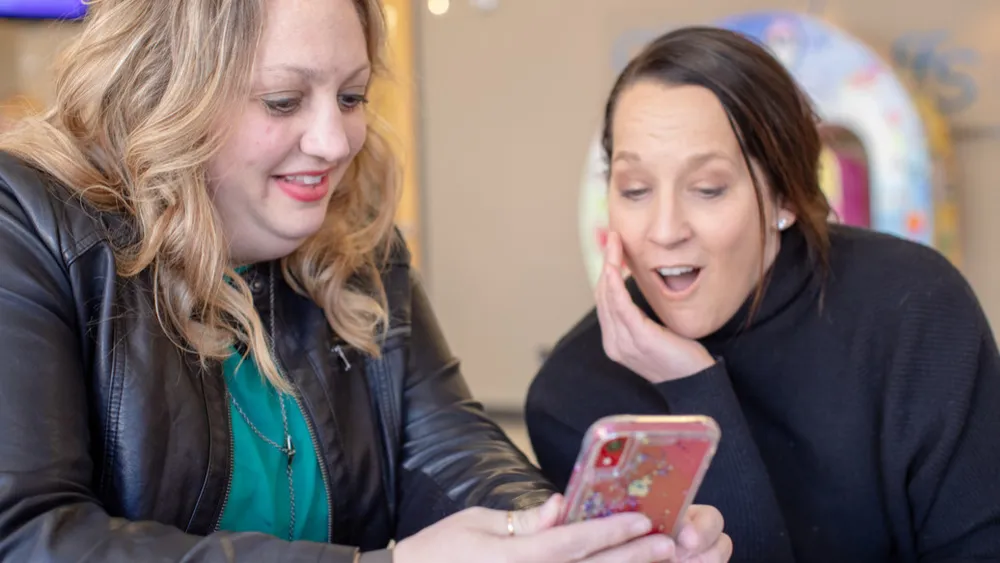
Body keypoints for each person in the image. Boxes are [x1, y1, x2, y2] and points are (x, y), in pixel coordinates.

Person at [0, 1, 730, 562]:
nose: (334, 141)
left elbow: (453, 457)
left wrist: (575, 538)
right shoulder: (27, 222)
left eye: (351, 97)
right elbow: (29, 537)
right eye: (284, 101)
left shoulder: (359, 249)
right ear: (165, 93)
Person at [526, 25, 1000, 563]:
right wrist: (693, 387)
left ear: (783, 197)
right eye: (635, 190)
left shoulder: (915, 311)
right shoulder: (574, 394)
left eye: (707, 188)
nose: (664, 229)